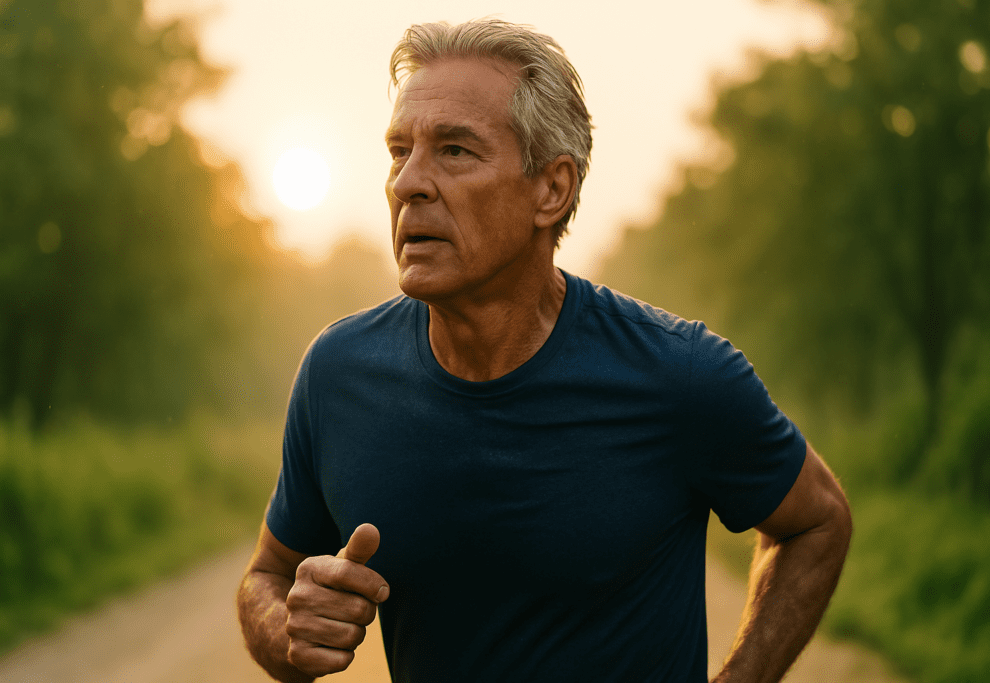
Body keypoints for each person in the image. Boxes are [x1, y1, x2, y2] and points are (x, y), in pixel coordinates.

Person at [237, 18, 853, 683]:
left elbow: (817, 520)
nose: (407, 183)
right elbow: (266, 576)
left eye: (454, 151)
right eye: (398, 150)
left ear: (551, 188)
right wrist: (285, 626)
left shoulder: (679, 373)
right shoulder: (339, 373)